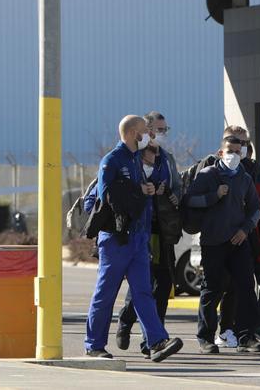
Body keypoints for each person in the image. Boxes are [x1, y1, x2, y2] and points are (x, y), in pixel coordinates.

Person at [83, 115, 184, 362]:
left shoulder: (137, 161)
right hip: (117, 239)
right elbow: (107, 195)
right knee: (105, 293)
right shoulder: (112, 160)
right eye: (144, 131)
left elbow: (139, 194)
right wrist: (139, 190)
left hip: (139, 238)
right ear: (131, 133)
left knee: (143, 292)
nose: (148, 135)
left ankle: (157, 341)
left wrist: (148, 190)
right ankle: (94, 344)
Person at [186, 135, 260, 354]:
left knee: (245, 288)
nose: (233, 155)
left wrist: (245, 229)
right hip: (213, 241)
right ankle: (206, 338)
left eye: (237, 152)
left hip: (238, 241)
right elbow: (190, 200)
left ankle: (246, 337)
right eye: (229, 151)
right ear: (220, 153)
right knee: (212, 289)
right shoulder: (207, 175)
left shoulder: (244, 178)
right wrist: (214, 196)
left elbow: (255, 208)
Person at [115, 111, 182, 357]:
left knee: (163, 285)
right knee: (142, 284)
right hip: (140, 228)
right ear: (146, 130)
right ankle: (126, 320)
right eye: (158, 129)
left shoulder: (167, 158)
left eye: (165, 130)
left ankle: (153, 340)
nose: (161, 134)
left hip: (163, 229)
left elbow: (178, 186)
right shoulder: (134, 156)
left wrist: (169, 192)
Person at [218, 125, 260, 345]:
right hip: (236, 237)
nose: (240, 148)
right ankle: (229, 329)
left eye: (244, 144)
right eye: (236, 143)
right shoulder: (217, 170)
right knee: (234, 287)